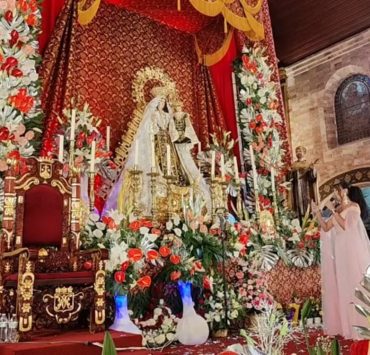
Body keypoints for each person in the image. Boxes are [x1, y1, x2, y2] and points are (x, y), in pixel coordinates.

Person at [103, 87, 210, 216]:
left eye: (164, 102)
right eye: (160, 102)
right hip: (158, 141)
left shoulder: (168, 115)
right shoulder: (153, 114)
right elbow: (150, 129)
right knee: (159, 164)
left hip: (169, 143)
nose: (162, 104)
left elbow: (174, 129)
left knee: (175, 165)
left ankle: (176, 184)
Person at [312, 182, 370, 339]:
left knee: (355, 285)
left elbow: (346, 226)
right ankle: (347, 325)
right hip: (341, 253)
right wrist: (318, 213)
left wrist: (332, 211)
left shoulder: (353, 207)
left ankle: (362, 325)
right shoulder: (338, 210)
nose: (335, 195)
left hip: (352, 252)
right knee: (344, 286)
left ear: (344, 191)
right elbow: (326, 227)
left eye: (336, 191)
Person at [289, 146, 318, 222]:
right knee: (297, 206)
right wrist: (290, 173)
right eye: (297, 151)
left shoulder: (307, 163)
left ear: (304, 153)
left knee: (306, 206)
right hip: (296, 190)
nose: (298, 152)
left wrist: (311, 170)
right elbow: (290, 178)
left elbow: (312, 178)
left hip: (306, 188)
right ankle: (300, 224)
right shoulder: (294, 165)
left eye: (300, 151)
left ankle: (309, 224)